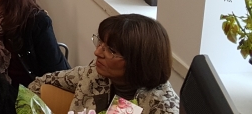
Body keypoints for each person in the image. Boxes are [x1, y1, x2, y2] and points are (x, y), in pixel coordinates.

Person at [29, 14, 180, 114]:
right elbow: (38, 84)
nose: (97, 52)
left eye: (111, 50)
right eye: (100, 42)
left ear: (138, 61)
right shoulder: (94, 73)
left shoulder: (163, 107)